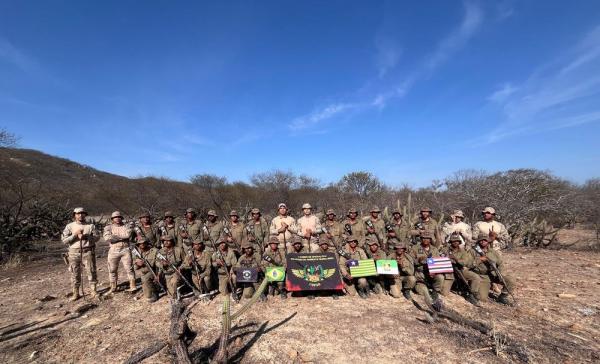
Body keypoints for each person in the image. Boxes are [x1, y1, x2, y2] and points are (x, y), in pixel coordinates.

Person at [61, 207, 99, 300]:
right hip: (74, 253)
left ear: (85, 214)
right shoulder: (69, 226)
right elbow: (64, 240)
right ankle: (76, 293)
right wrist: (74, 235)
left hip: (88, 251)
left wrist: (88, 237)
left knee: (91, 271)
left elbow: (97, 237)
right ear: (74, 215)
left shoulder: (91, 226)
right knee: (75, 273)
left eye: (82, 213)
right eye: (78, 214)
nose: (80, 215)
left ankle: (93, 291)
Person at [470, 233, 516, 305]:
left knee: (510, 281)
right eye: (481, 240)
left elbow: (500, 263)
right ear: (478, 241)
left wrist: (499, 273)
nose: (483, 241)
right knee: (482, 298)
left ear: (488, 241)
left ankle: (503, 297)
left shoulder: (493, 252)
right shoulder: (472, 251)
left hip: (493, 274)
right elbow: (468, 264)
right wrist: (480, 260)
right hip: (481, 276)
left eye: (485, 240)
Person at [441, 233, 481, 306]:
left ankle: (472, 293)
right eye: (453, 241)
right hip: (448, 272)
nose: (455, 242)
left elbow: (465, 262)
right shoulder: (445, 249)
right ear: (450, 242)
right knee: (444, 293)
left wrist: (455, 259)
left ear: (459, 242)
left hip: (459, 270)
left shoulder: (463, 251)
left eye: (457, 241)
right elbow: (439, 259)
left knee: (475, 277)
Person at [410, 231, 444, 310]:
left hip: (431, 274)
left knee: (440, 277)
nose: (426, 240)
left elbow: (437, 262)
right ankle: (431, 304)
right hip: (420, 276)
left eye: (428, 238)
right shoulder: (415, 248)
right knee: (423, 291)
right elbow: (410, 261)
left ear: (430, 239)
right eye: (424, 238)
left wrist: (434, 271)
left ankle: (435, 292)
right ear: (421, 239)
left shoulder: (434, 249)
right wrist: (418, 260)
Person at [103, 211, 136, 294]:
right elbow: (107, 238)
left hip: (125, 249)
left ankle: (133, 286)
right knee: (112, 269)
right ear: (112, 219)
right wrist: (122, 237)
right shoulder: (108, 227)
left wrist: (115, 236)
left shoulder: (126, 226)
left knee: (129, 268)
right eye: (115, 217)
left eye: (119, 217)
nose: (117, 218)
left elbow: (128, 236)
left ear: (121, 218)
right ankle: (113, 287)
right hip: (113, 250)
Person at [133, 238, 160, 302]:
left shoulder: (154, 251)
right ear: (138, 245)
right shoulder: (136, 253)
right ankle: (148, 292)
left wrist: (158, 274)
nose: (142, 245)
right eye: (140, 244)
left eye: (144, 243)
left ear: (147, 243)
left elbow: (159, 263)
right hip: (143, 272)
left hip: (155, 271)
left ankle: (155, 294)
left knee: (146, 278)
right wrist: (138, 264)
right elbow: (134, 267)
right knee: (147, 294)